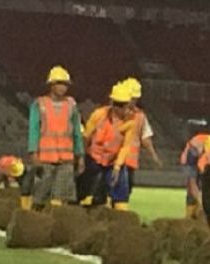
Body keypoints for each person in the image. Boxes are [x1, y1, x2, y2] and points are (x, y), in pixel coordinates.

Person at [25, 65, 84, 210]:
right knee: (39, 196)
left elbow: (76, 131)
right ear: (51, 85)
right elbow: (33, 130)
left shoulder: (71, 105)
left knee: (60, 198)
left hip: (66, 159)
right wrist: (33, 154)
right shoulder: (39, 104)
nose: (63, 87)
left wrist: (80, 156)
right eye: (59, 83)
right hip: (45, 159)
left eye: (65, 84)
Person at [77, 79, 141, 210]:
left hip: (113, 162)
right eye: (118, 104)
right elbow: (86, 137)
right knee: (83, 190)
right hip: (94, 159)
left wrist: (117, 166)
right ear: (112, 103)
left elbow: (126, 146)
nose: (120, 108)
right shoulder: (99, 115)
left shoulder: (130, 122)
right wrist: (81, 158)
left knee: (120, 194)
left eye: (123, 104)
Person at [179, 119, 210, 218]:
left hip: (206, 157)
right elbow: (192, 182)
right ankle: (190, 212)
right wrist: (200, 202)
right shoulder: (192, 151)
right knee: (191, 190)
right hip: (190, 161)